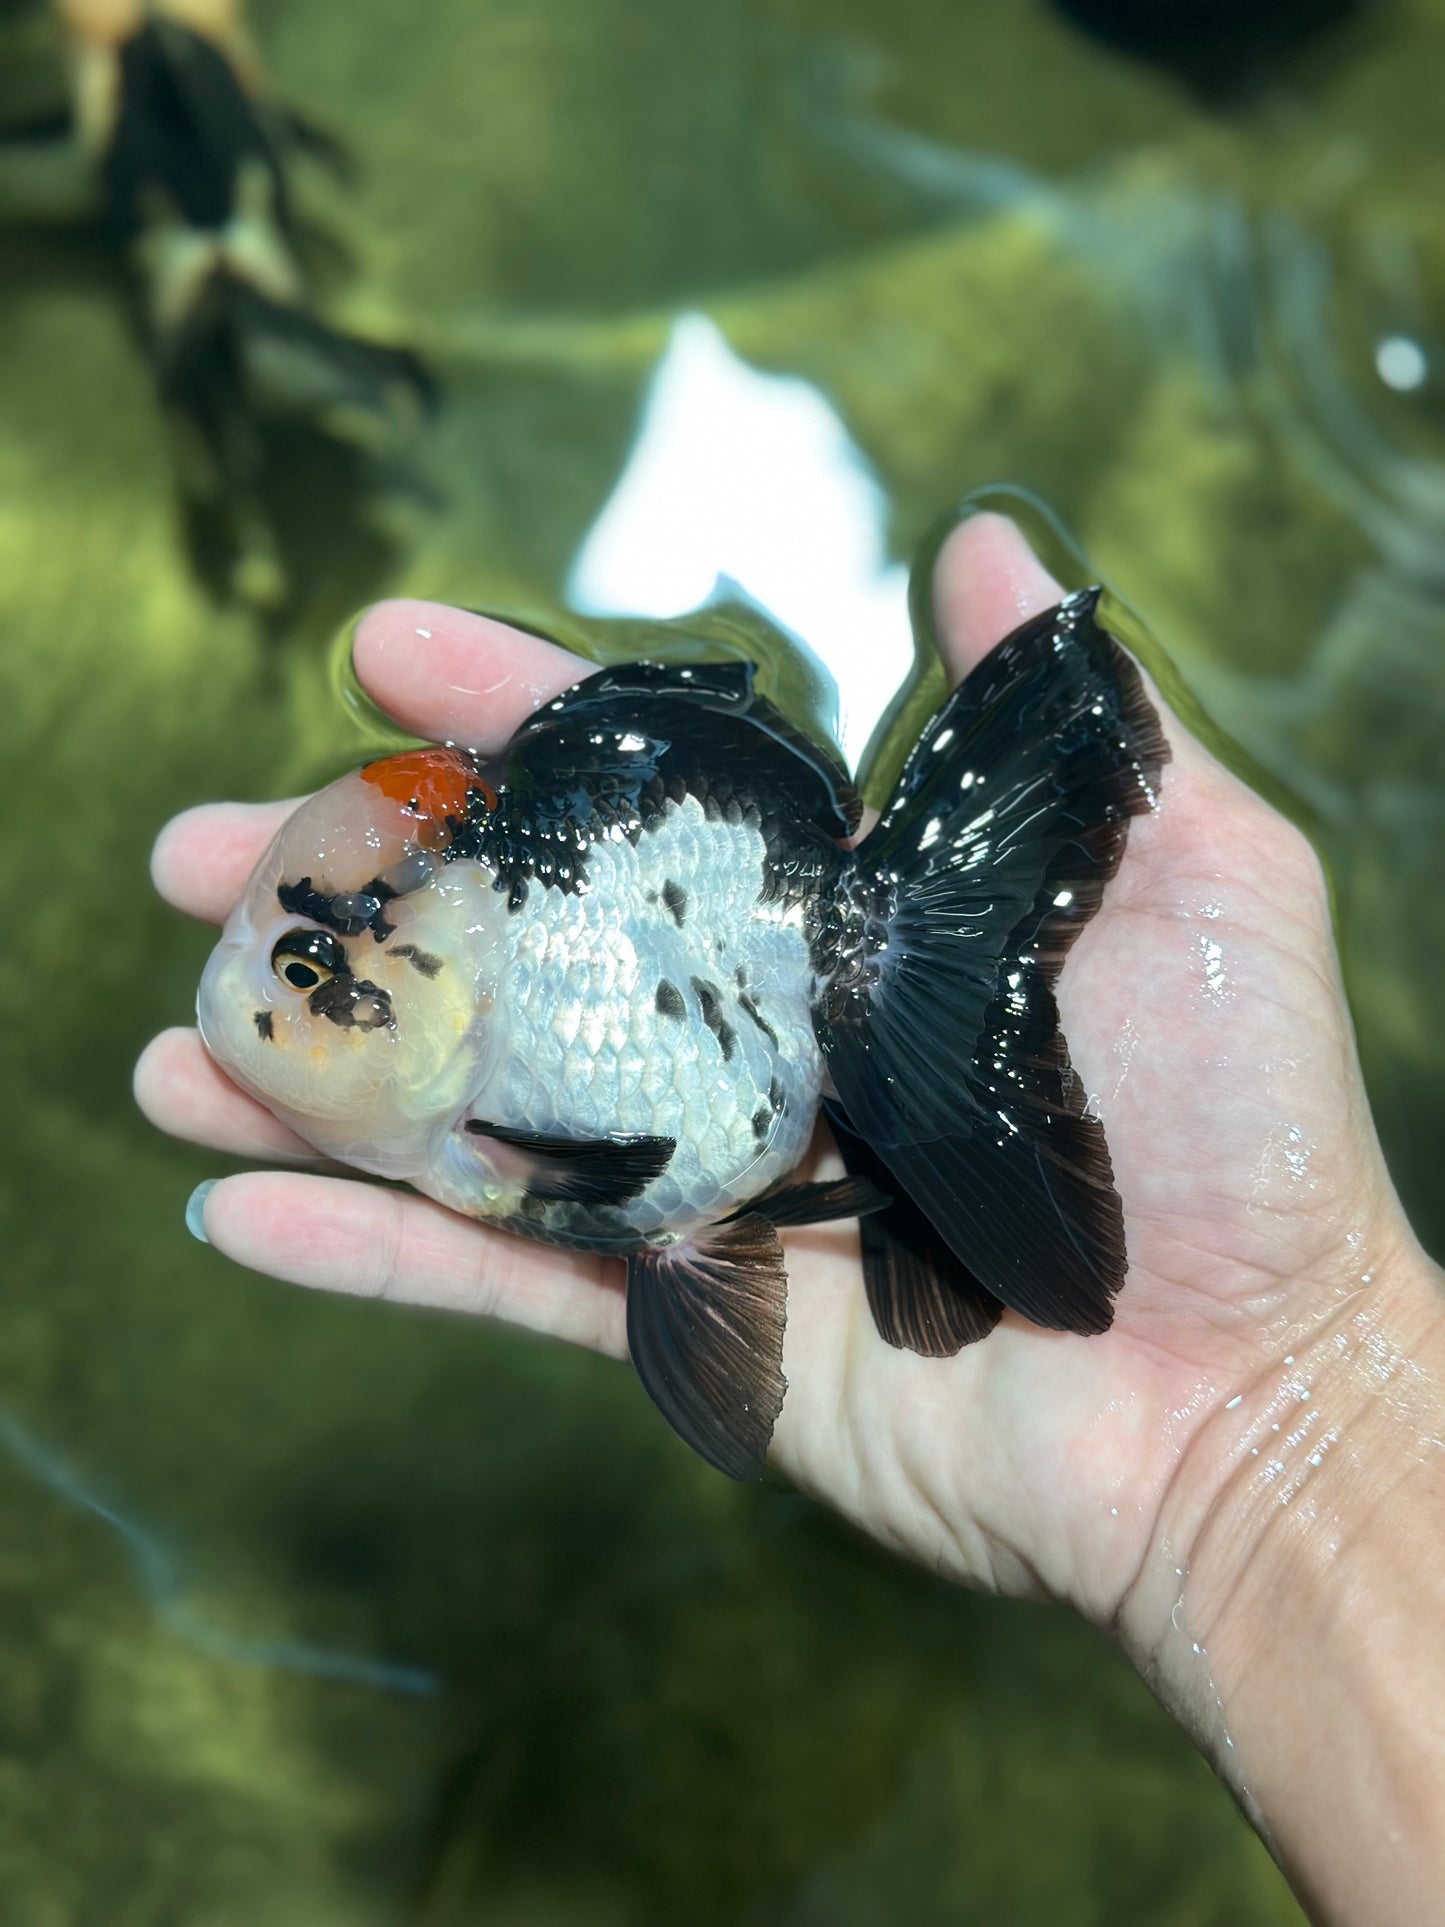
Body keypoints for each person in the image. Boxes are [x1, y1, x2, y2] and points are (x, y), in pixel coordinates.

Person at [135, 511, 1445, 1925]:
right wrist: (1282, 1443)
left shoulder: (488, 1079)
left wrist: (1278, 1403)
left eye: (321, 983)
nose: (273, 999)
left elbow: (593, 1174)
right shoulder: (441, 1014)